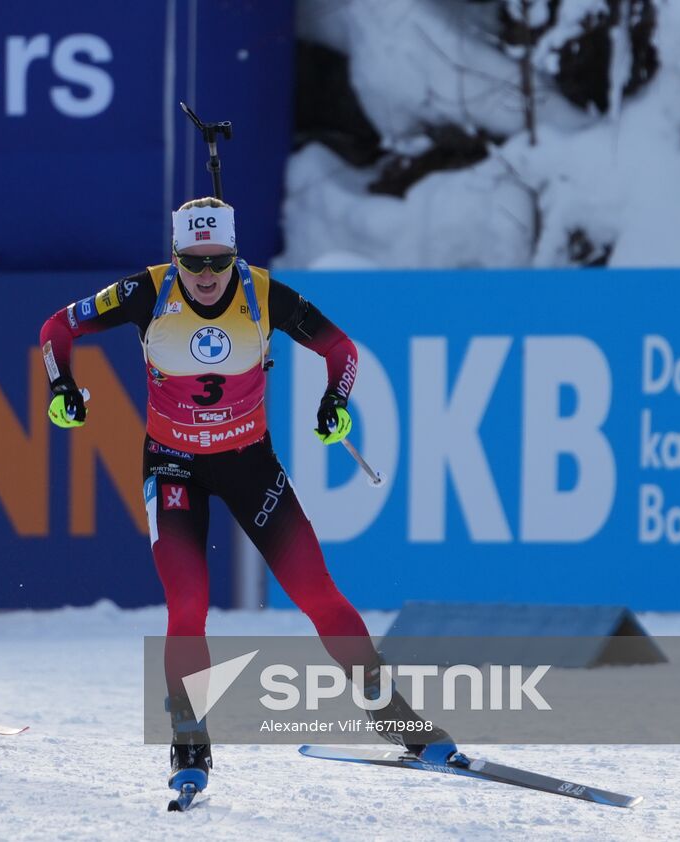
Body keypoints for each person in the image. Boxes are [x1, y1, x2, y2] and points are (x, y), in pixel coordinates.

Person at [38, 197, 452, 797]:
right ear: (175, 256)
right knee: (188, 604)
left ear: (236, 255)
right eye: (193, 262)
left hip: (248, 464)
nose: (206, 276)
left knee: (317, 593)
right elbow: (56, 328)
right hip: (172, 466)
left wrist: (335, 402)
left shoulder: (262, 294)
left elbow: (342, 350)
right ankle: (190, 743)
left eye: (219, 261)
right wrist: (62, 387)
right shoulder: (144, 291)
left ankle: (394, 718)